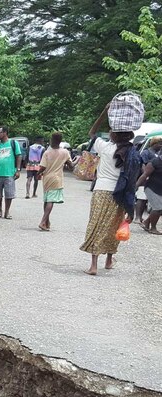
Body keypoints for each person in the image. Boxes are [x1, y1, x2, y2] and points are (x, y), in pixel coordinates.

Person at [80, 103, 138, 275]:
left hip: (100, 191)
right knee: (114, 225)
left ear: (112, 134)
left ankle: (93, 265)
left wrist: (104, 113)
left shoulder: (104, 147)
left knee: (96, 224)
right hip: (118, 193)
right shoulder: (130, 152)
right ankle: (109, 259)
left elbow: (91, 132)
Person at [36, 132, 73, 231]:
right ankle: (43, 221)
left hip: (47, 178)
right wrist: (76, 161)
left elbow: (43, 167)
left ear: (52, 140)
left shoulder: (47, 153)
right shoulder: (65, 152)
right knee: (51, 201)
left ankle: (47, 222)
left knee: (47, 199)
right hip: (57, 178)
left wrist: (38, 173)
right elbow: (71, 166)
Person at [0, 126, 22, 218]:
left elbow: (19, 156)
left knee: (9, 194)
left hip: (9, 173)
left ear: (5, 133)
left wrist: (18, 170)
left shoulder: (13, 143)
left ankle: (7, 211)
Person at [136, 145, 162, 235]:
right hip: (151, 188)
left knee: (160, 209)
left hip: (160, 189)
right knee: (158, 208)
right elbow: (144, 175)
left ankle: (146, 223)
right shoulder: (154, 162)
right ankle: (153, 228)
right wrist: (135, 187)